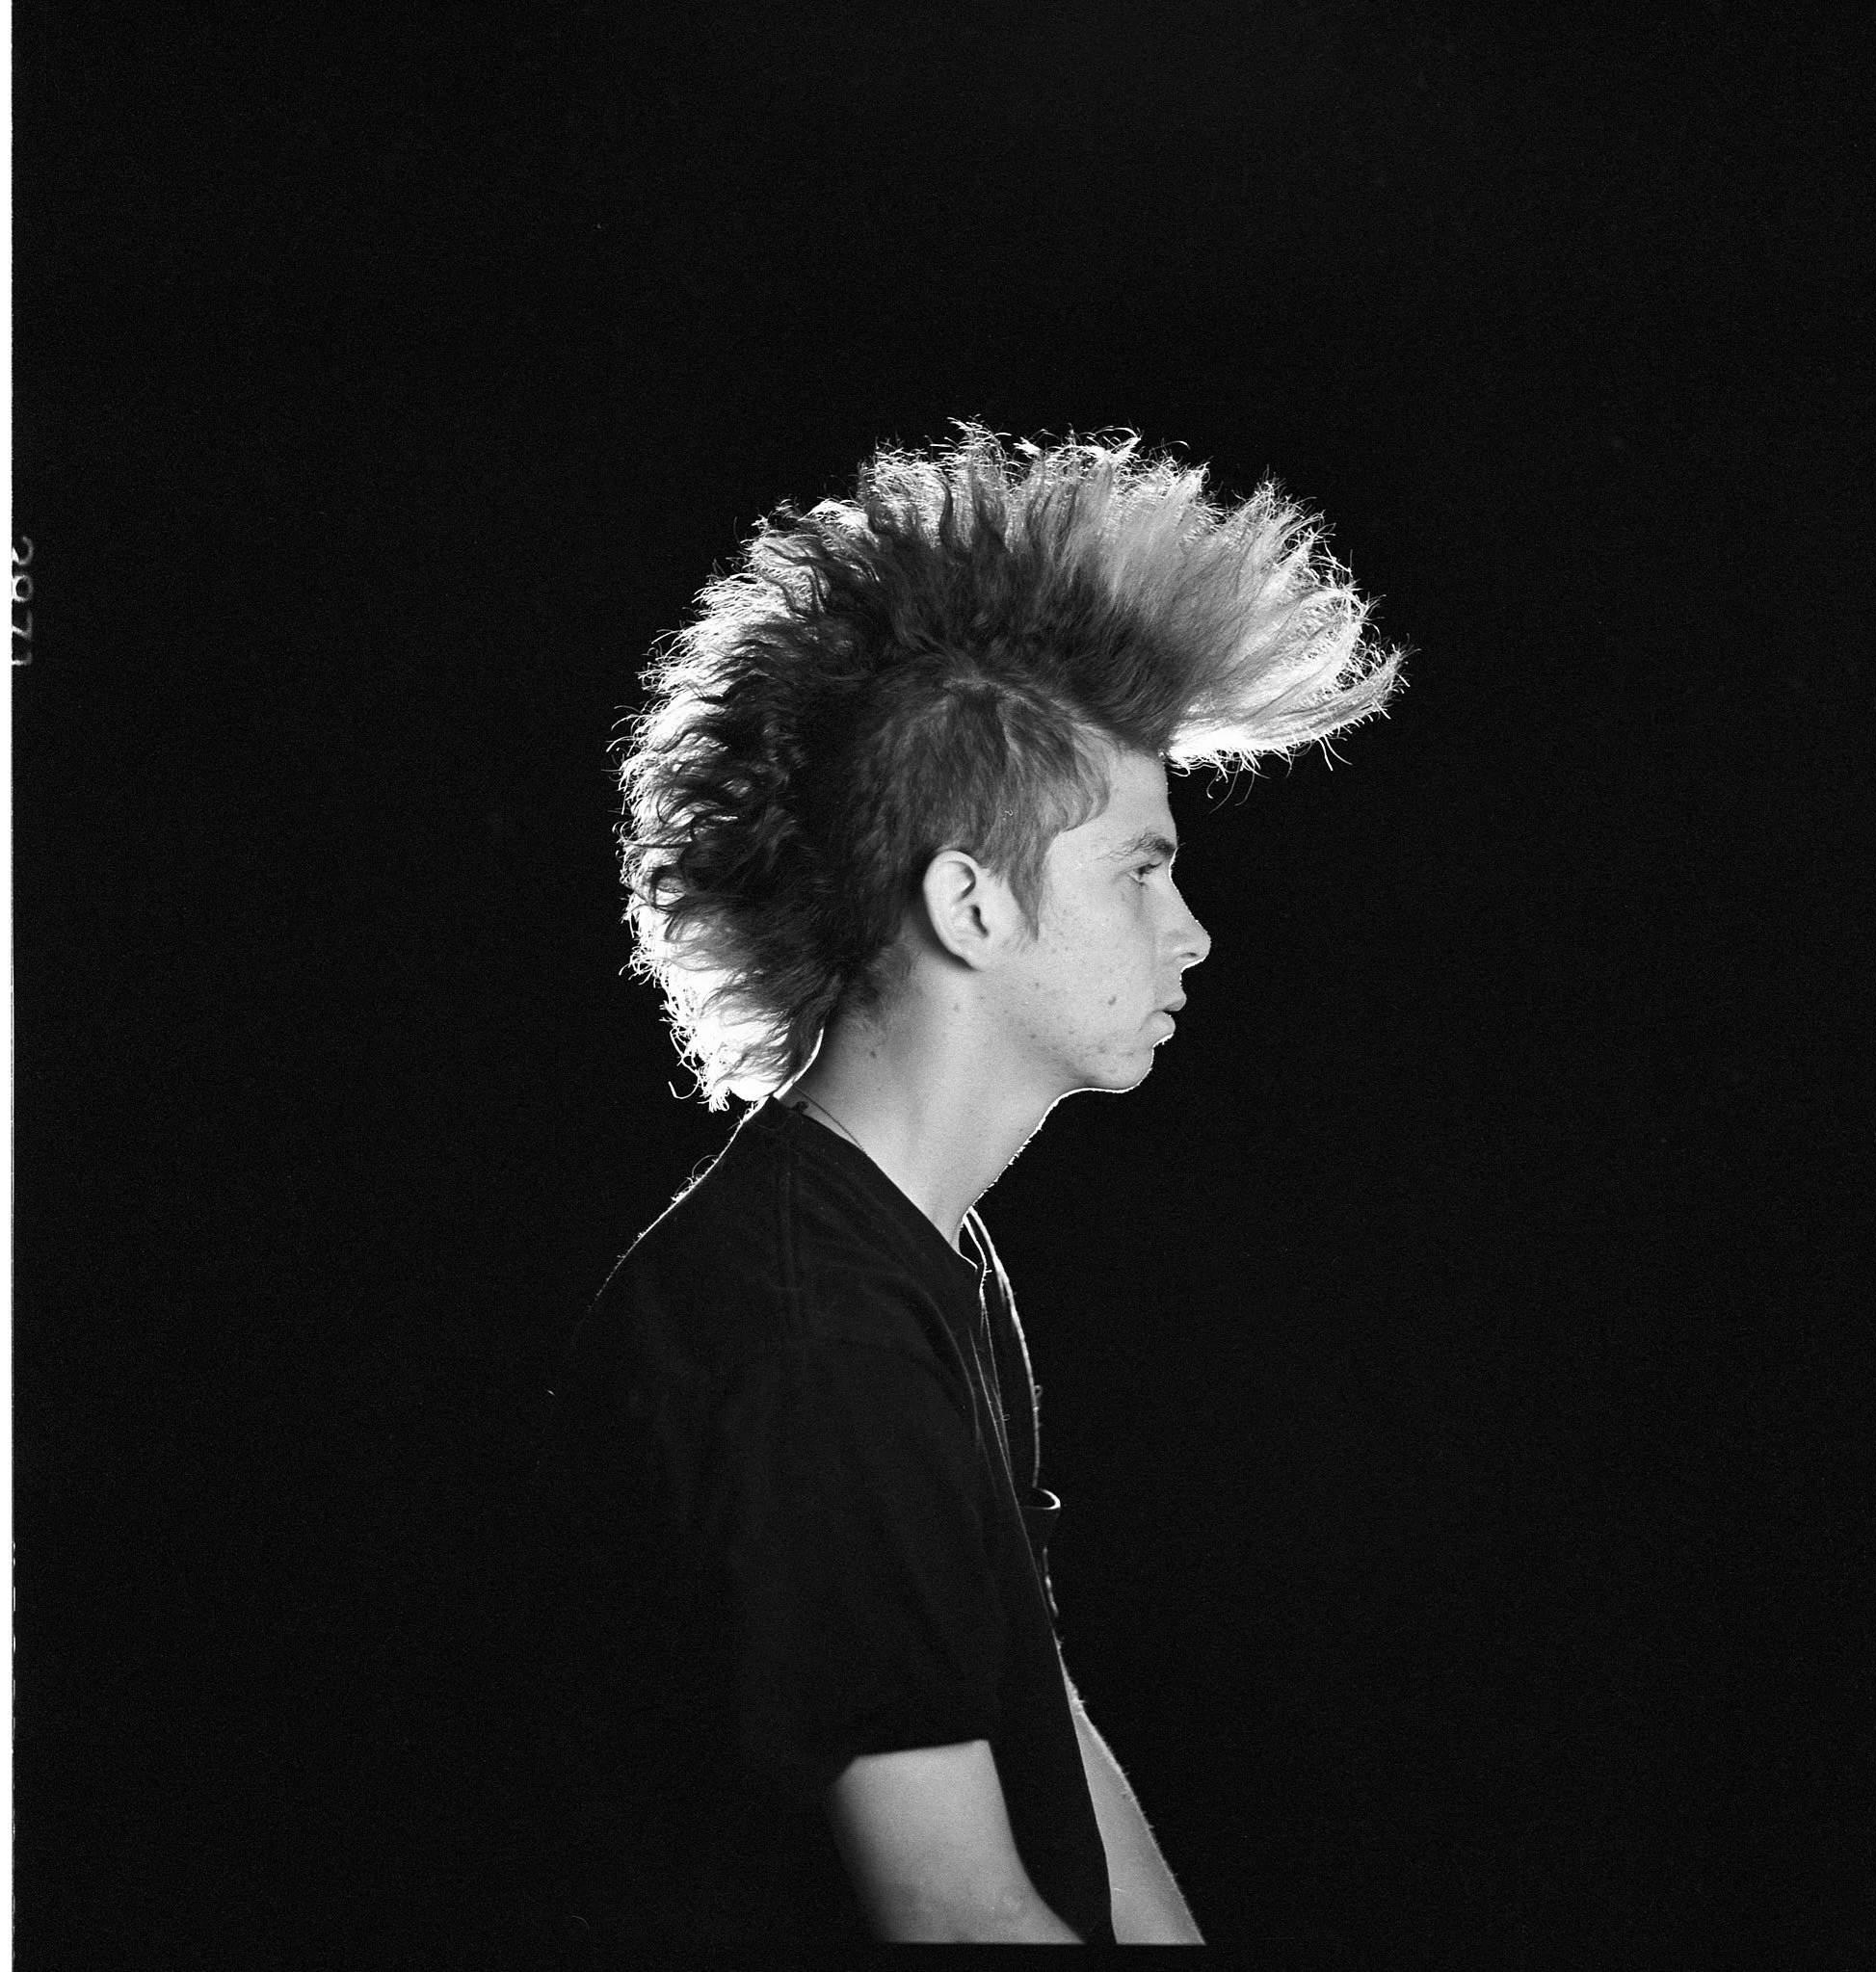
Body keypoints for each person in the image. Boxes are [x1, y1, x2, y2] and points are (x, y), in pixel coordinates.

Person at [525, 427, 1403, 1948]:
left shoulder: (929, 1255)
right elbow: (948, 1912)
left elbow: (1033, 1705)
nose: (1190, 932)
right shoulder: (817, 1341)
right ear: (972, 902)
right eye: (1142, 868)